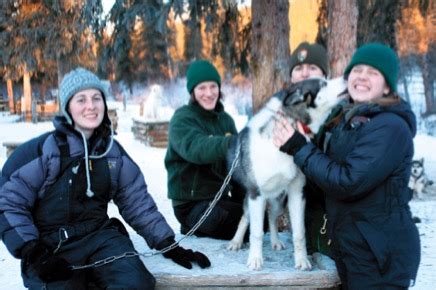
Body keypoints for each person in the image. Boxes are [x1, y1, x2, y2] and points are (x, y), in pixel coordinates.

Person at [0, 67, 210, 289]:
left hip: (100, 237)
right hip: (51, 246)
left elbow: (137, 202)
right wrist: (33, 251)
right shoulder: (44, 152)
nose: (90, 106)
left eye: (96, 98)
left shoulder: (112, 152)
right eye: (81, 99)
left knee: (136, 283)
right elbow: (8, 202)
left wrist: (168, 245)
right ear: (67, 107)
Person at [273, 43, 420, 289]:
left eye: (373, 72)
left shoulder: (389, 127)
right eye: (357, 70)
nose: (362, 76)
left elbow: (347, 182)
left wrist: (298, 147)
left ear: (387, 86)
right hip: (355, 249)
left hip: (380, 255)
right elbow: (324, 179)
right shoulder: (350, 119)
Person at [165, 60, 245, 240]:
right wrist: (229, 142)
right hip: (191, 205)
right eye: (201, 88)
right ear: (192, 91)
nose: (208, 93)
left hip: (220, 200)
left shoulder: (226, 121)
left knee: (257, 217)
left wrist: (245, 201)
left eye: (213, 86)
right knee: (245, 225)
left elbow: (237, 166)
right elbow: (197, 149)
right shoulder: (182, 119)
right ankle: (191, 225)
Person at [290, 41, 333, 258]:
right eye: (298, 69)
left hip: (330, 218)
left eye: (312, 68)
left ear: (324, 75)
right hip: (299, 220)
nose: (304, 74)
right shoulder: (282, 112)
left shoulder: (336, 112)